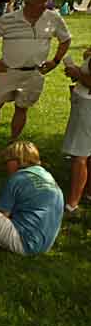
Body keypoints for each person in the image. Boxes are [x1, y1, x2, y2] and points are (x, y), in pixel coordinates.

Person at [0, 0, 72, 152]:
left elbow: (65, 40)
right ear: (28, 3)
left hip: (34, 73)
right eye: (40, 4)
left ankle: (13, 142)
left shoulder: (53, 18)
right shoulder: (9, 19)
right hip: (7, 71)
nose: (45, 7)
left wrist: (55, 61)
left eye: (46, 3)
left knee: (22, 107)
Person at [62, 49, 91, 217]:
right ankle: (88, 193)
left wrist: (77, 73)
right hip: (84, 101)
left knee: (80, 156)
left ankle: (72, 204)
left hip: (87, 106)